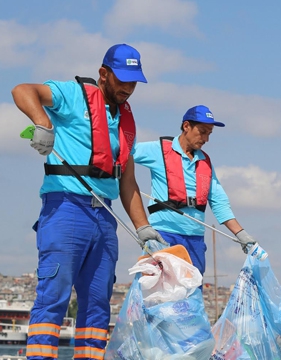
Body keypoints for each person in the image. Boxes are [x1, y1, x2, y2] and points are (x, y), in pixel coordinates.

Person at [12, 44, 165, 360]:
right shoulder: (73, 95)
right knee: (54, 295)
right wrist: (43, 123)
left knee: (98, 302)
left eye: (133, 82)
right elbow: (22, 90)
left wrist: (144, 229)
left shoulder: (125, 122)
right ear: (103, 74)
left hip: (104, 217)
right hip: (66, 207)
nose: (127, 89)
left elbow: (128, 181)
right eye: (122, 80)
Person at [133, 105, 257, 275]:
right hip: (163, 236)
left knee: (192, 295)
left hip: (195, 240)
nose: (206, 139)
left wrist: (241, 234)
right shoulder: (158, 150)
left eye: (209, 133)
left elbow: (219, 201)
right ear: (186, 126)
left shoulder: (205, 161)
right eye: (202, 131)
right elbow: (123, 152)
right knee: (159, 296)